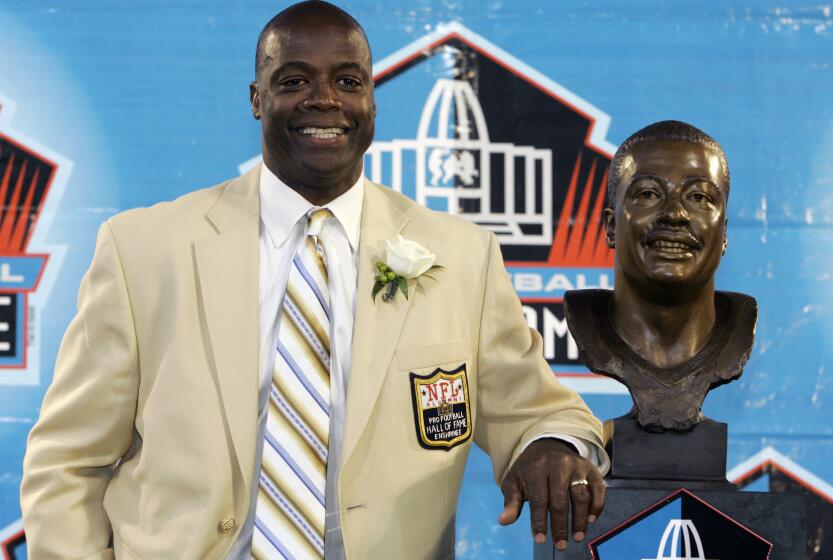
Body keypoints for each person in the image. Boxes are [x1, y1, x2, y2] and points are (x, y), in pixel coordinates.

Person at [21, 2, 608, 558]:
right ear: (257, 98)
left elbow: (538, 410)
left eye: (348, 82)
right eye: (294, 80)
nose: (324, 100)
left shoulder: (460, 255)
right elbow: (67, 462)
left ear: (374, 101)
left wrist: (550, 445)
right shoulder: (144, 250)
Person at [565, 120, 757, 432]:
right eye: (649, 194)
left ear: (723, 232)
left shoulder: (739, 327)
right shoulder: (586, 320)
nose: (675, 214)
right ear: (611, 226)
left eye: (698, 197)